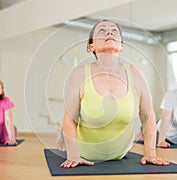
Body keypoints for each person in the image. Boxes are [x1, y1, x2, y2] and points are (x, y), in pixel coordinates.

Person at [59, 19, 169, 168]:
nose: (109, 32)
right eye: (102, 30)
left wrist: (150, 153)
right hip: (85, 154)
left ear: (121, 45)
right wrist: (73, 156)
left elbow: (148, 117)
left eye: (114, 30)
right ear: (92, 46)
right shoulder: (80, 73)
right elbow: (69, 119)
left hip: (120, 156)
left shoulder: (136, 73)